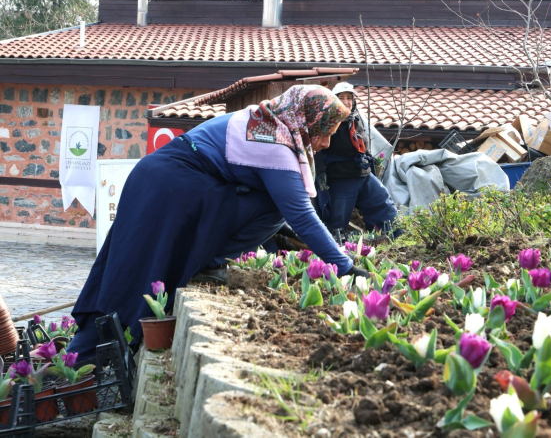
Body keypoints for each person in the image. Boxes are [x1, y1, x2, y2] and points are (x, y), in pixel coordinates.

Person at [67, 85, 369, 360]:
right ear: (304, 122)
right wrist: (346, 268)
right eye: (323, 132)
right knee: (133, 276)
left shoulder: (269, 121)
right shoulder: (274, 144)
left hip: (165, 181)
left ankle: (84, 358)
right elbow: (300, 214)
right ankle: (81, 363)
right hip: (168, 188)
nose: (326, 143)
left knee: (130, 269)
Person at [313, 82, 398, 237]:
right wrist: (320, 173)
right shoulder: (328, 120)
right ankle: (332, 250)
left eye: (349, 98)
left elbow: (361, 144)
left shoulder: (355, 118)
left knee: (385, 207)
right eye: (341, 98)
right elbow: (317, 149)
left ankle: (392, 240)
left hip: (363, 175)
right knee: (337, 223)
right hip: (341, 179)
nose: (346, 102)